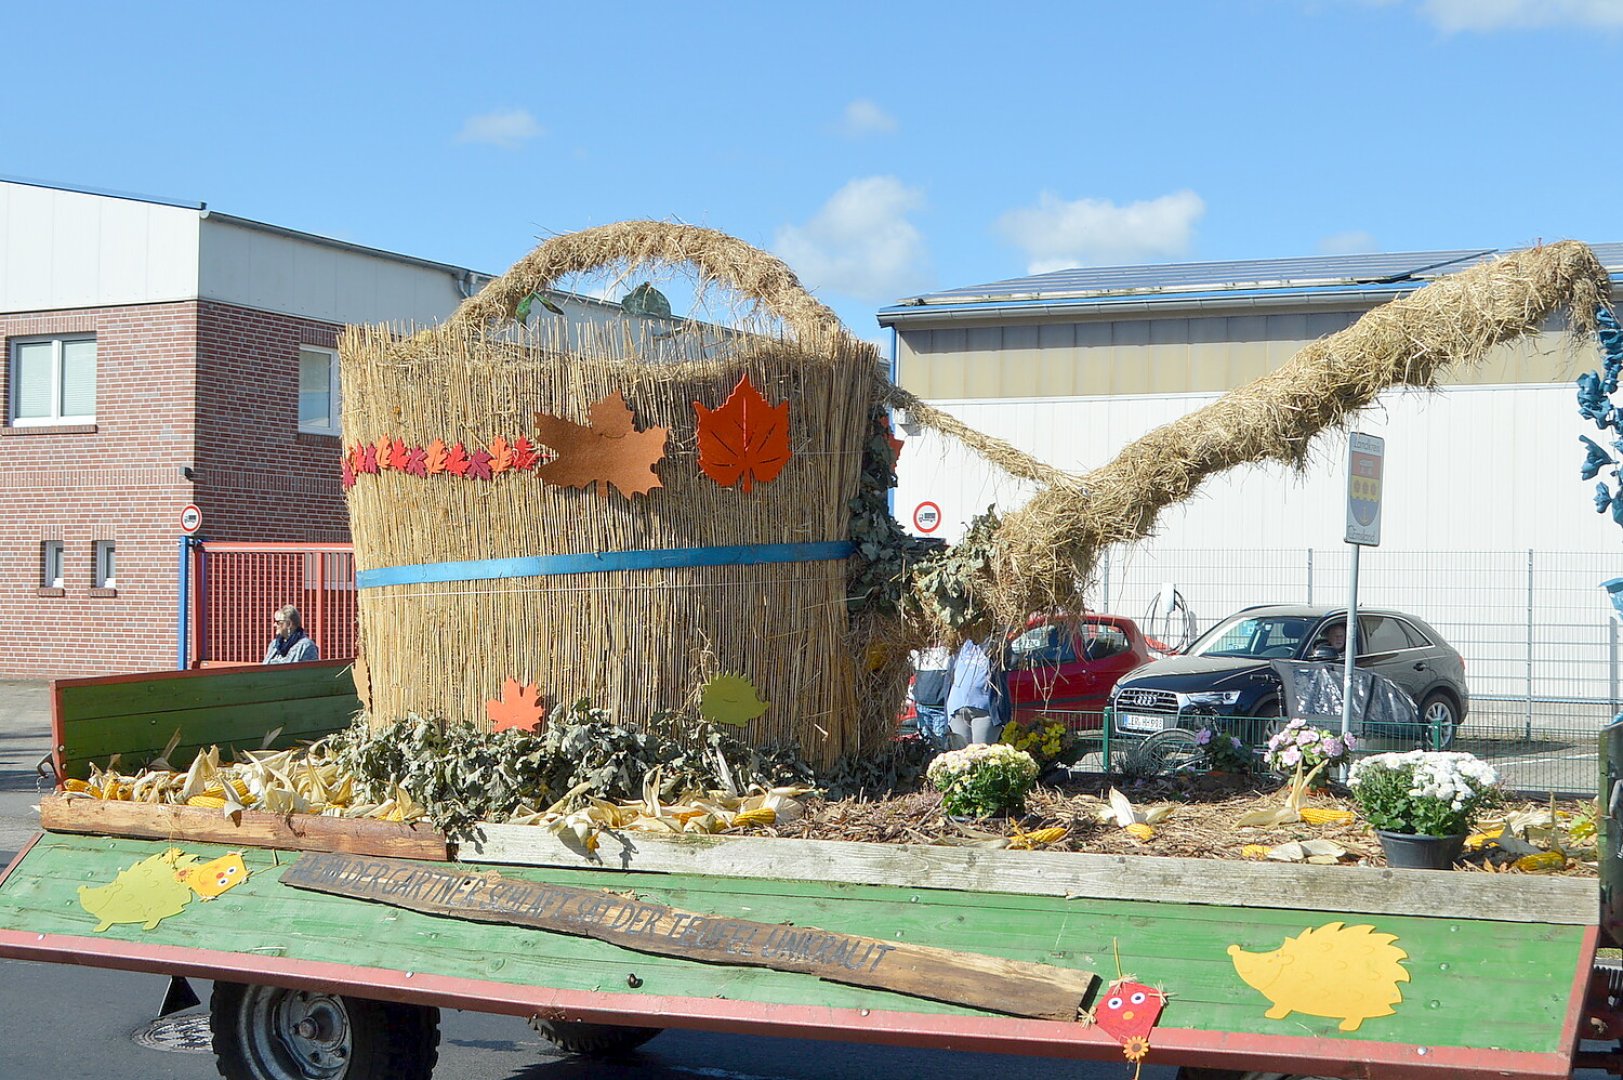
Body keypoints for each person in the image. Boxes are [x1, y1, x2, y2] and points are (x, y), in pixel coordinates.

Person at [944, 635, 1010, 749]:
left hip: (985, 709)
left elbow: (1007, 660)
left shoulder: (996, 644)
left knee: (981, 757)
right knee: (961, 759)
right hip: (957, 709)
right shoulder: (960, 642)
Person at [908, 644, 953, 750]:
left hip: (940, 707)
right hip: (921, 706)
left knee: (939, 745)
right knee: (925, 743)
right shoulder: (919, 652)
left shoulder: (948, 652)